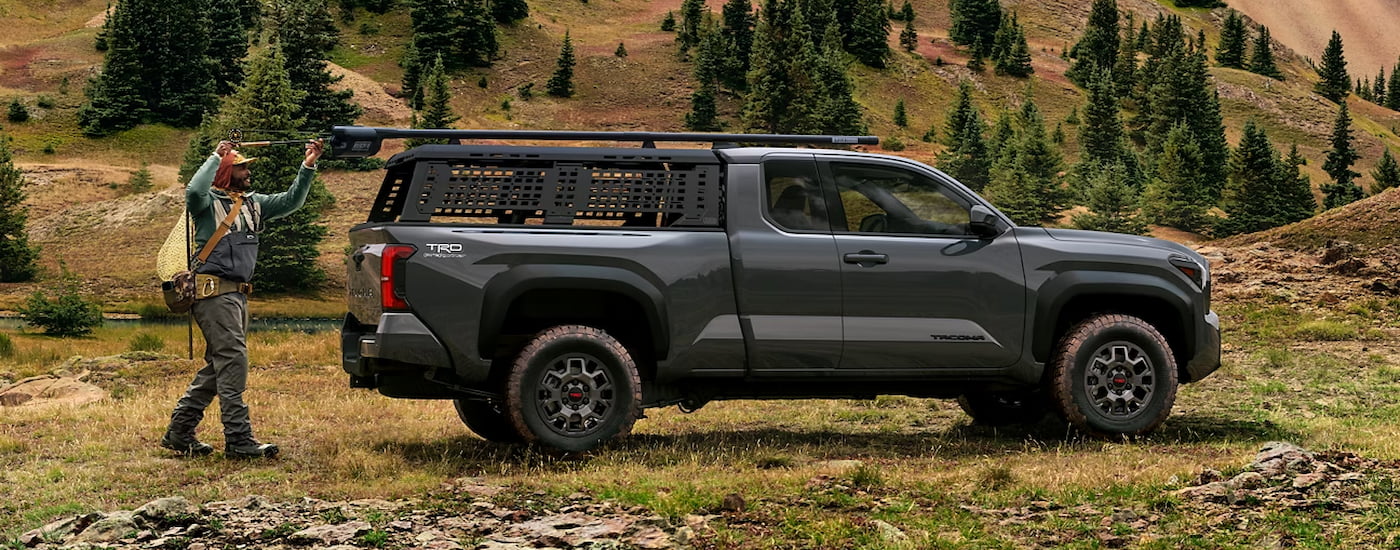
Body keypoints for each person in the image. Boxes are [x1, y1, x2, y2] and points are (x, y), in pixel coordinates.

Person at [160, 138, 325, 458]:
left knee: (219, 364)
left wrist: (308, 165)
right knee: (233, 361)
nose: (248, 172)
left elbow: (292, 201)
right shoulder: (206, 203)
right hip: (214, 295)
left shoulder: (254, 202)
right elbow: (193, 191)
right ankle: (238, 439)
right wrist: (215, 156)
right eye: (242, 167)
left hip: (237, 297)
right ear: (225, 172)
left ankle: (179, 431)